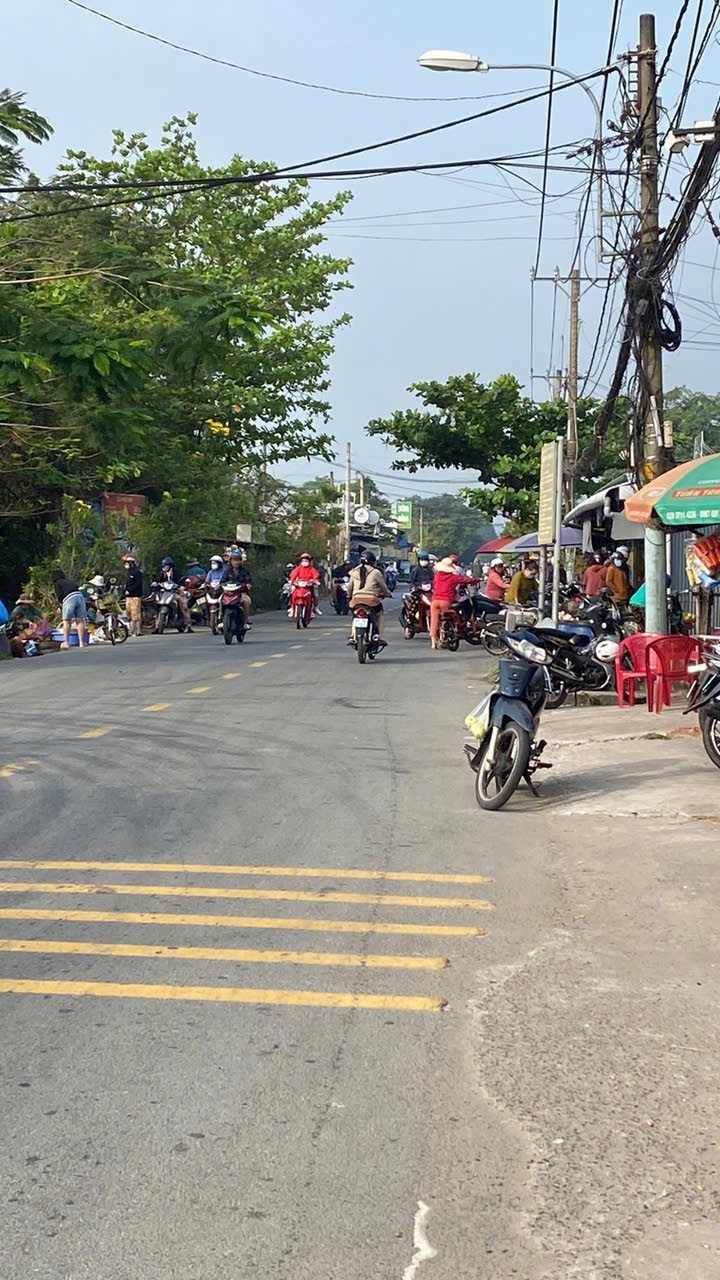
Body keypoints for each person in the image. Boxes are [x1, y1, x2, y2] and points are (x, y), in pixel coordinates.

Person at [348, 552, 391, 646]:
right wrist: (387, 594)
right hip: (371, 601)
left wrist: (349, 595)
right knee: (379, 614)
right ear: (373, 562)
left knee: (355, 616)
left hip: (356, 601)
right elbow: (383, 587)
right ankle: (380, 636)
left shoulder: (354, 571)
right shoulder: (376, 572)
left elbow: (350, 587)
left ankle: (353, 636)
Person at [429, 553, 466, 650]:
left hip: (435, 601)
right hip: (446, 601)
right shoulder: (453, 577)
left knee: (434, 621)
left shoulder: (437, 576)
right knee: (450, 615)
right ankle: (444, 636)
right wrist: (476, 580)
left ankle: (433, 642)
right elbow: (465, 580)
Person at [51, 568, 88, 649]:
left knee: (67, 621)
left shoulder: (57, 583)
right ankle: (81, 643)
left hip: (69, 598)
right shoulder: (70, 581)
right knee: (80, 620)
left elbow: (60, 596)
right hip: (79, 596)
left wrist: (60, 607)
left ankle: (66, 642)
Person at [158, 557, 193, 630]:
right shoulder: (161, 573)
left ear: (170, 566)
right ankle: (156, 625)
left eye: (167, 565)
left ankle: (188, 624)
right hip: (164, 593)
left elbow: (181, 580)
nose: (165, 567)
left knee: (183, 605)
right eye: (164, 565)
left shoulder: (176, 573)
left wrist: (181, 586)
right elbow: (157, 580)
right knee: (154, 603)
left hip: (175, 592)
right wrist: (155, 583)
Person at [222, 548, 253, 627]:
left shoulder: (244, 571)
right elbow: (222, 581)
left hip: (241, 593)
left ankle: (245, 622)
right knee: (219, 601)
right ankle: (220, 619)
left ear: (241, 561)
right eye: (234, 560)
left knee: (246, 602)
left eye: (238, 560)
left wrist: (248, 584)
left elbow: (248, 580)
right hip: (228, 593)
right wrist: (219, 586)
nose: (236, 562)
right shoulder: (227, 571)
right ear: (231, 561)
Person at [289, 552, 320, 618]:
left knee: (316, 594)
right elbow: (293, 575)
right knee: (291, 592)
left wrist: (315, 581)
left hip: (309, 585)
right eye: (303, 561)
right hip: (298, 585)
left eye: (306, 561)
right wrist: (291, 581)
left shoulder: (312, 569)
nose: (304, 562)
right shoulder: (298, 569)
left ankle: (315, 608)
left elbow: (315, 576)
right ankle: (292, 608)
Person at [122, 553, 143, 636]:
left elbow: (138, 583)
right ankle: (132, 630)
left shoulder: (137, 572)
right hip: (128, 596)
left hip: (135, 596)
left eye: (126, 562)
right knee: (129, 613)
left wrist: (130, 590)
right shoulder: (128, 572)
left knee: (135, 614)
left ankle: (137, 631)